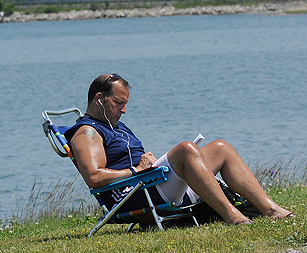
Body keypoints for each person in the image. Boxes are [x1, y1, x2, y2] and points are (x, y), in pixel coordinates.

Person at [65, 73, 292, 225]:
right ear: (99, 99)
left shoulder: (114, 125)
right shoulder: (87, 132)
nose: (123, 110)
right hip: (132, 195)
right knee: (185, 149)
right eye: (118, 103)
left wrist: (147, 167)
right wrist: (136, 170)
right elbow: (94, 176)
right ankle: (232, 216)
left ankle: (270, 209)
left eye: (125, 104)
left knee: (221, 148)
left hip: (149, 184)